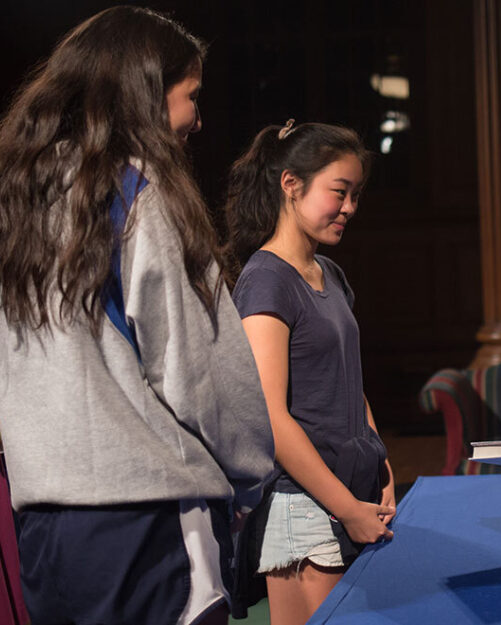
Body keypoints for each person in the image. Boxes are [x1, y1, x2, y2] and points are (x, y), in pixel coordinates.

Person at [0, 7, 275, 625]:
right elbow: (198, 371)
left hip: (44, 526)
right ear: (143, 92)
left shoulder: (14, 197)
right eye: (191, 97)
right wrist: (252, 473)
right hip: (147, 518)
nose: (198, 120)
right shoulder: (140, 192)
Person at [225, 120, 395, 625]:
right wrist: (347, 508)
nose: (349, 208)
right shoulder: (265, 281)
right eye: (339, 192)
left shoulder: (330, 273)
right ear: (291, 185)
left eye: (356, 195)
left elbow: (349, 382)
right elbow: (270, 420)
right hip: (305, 505)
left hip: (349, 491)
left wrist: (380, 464)